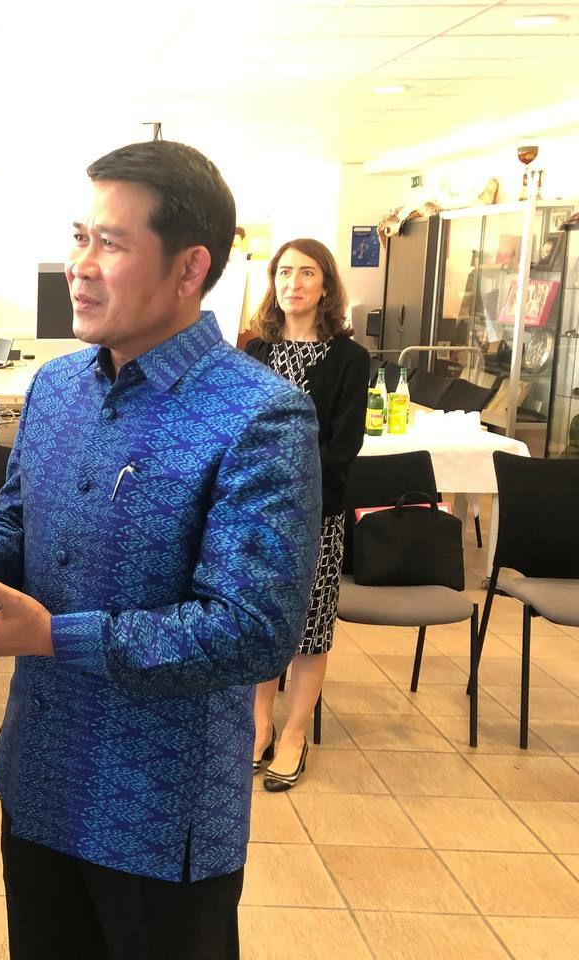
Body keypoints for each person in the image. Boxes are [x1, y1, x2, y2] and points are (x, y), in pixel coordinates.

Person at [0, 139, 322, 959]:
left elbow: (253, 631)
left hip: (161, 814)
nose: (80, 265)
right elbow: (13, 534)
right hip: (40, 780)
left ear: (190, 267)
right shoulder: (57, 387)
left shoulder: (259, 413)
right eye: (79, 236)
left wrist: (51, 636)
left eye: (110, 242)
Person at [246, 239, 369, 791]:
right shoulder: (255, 353)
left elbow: (343, 446)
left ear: (326, 286)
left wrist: (291, 488)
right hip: (255, 514)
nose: (292, 283)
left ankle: (295, 732)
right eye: (284, 272)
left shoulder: (349, 359)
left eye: (306, 273)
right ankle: (259, 724)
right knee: (261, 621)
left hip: (315, 514)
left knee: (310, 628)